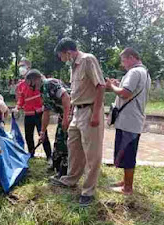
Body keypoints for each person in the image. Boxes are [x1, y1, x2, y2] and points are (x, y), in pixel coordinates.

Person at [50, 38, 105, 207]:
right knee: (73, 146)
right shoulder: (73, 66)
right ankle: (70, 179)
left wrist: (95, 114)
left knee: (92, 153)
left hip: (90, 111)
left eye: (61, 55)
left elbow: (101, 86)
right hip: (77, 111)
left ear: (68, 51)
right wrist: (71, 114)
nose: (61, 59)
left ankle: (88, 191)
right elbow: (77, 92)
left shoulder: (88, 59)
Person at [105, 48, 151, 195]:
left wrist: (110, 86)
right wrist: (119, 84)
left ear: (131, 57)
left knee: (128, 153)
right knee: (126, 152)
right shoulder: (144, 72)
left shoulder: (134, 72)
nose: (123, 64)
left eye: (124, 60)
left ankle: (128, 187)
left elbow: (125, 93)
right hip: (133, 119)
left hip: (129, 120)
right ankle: (126, 181)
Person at [25, 69, 71, 178]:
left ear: (36, 79)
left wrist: (66, 118)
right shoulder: (42, 90)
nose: (29, 86)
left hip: (70, 113)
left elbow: (66, 97)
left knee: (64, 142)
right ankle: (56, 165)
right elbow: (46, 111)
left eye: (30, 83)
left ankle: (64, 171)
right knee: (59, 140)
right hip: (63, 115)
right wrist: (42, 132)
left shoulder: (50, 83)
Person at [14, 58, 52, 161]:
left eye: (23, 66)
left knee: (43, 134)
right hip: (28, 114)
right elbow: (21, 99)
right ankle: (31, 154)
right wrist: (17, 107)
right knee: (28, 135)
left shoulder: (38, 79)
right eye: (20, 66)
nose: (21, 68)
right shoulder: (21, 85)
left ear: (29, 67)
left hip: (40, 112)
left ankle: (49, 156)